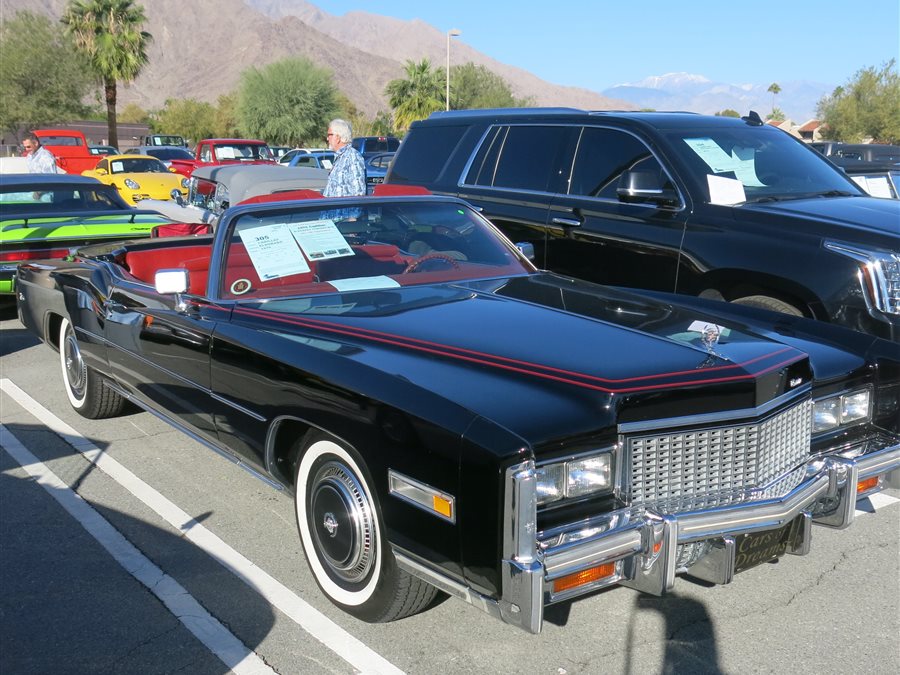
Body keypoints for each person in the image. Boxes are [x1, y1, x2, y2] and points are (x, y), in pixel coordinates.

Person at [323, 119, 365, 197]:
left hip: (344, 209)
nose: (327, 139)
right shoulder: (339, 158)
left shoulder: (352, 157)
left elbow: (358, 192)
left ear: (338, 137)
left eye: (329, 135)